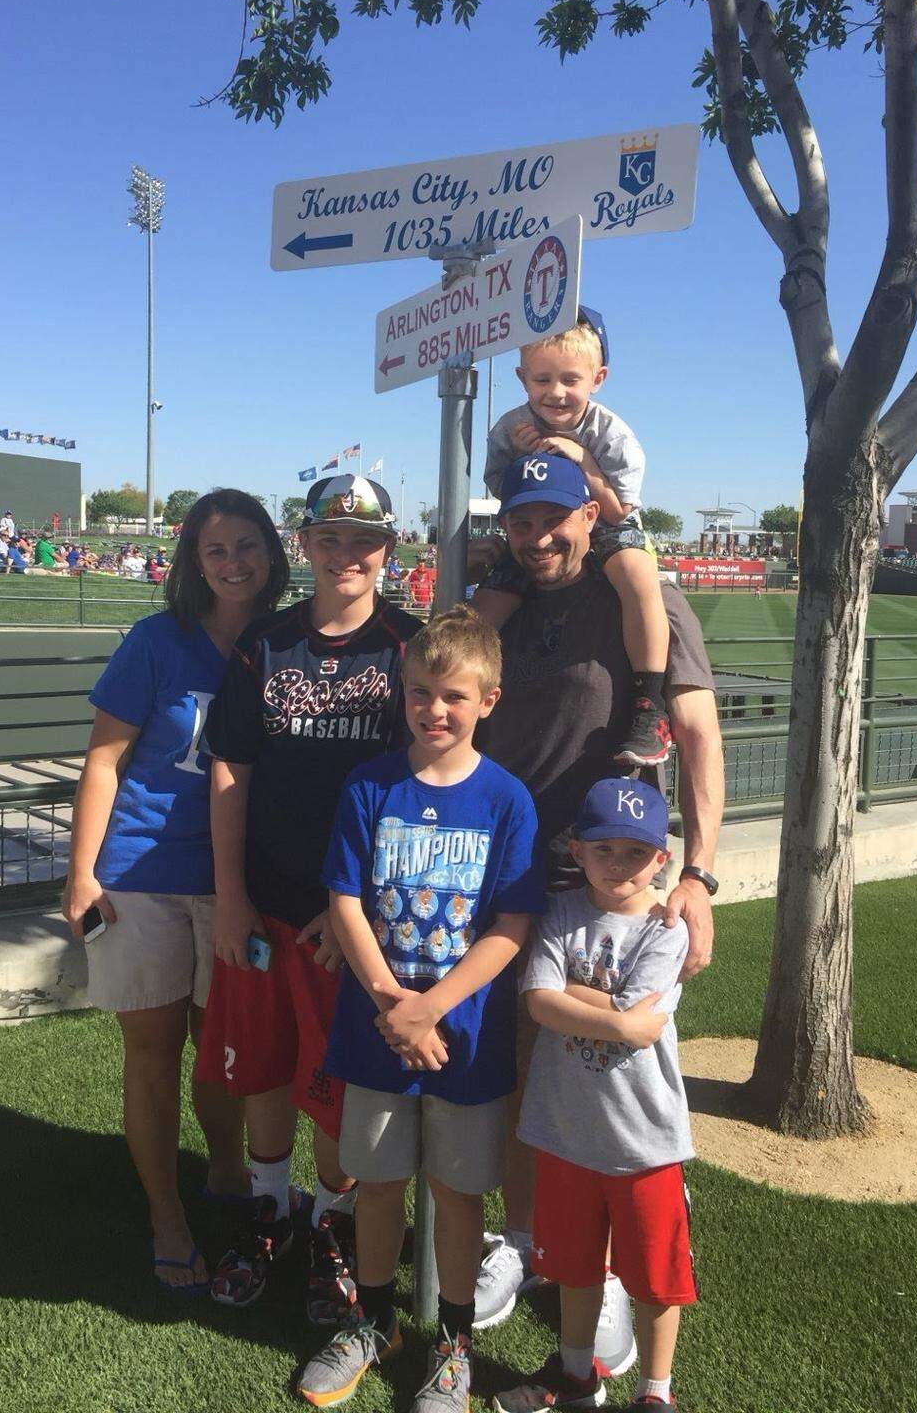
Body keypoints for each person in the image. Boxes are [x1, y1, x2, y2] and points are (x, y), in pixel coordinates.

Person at [472, 454, 723, 1374]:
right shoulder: (501, 596)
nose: (539, 538)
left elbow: (696, 734)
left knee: (606, 1069)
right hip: (504, 872)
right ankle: (528, 1239)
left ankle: (610, 1267)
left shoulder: (636, 591)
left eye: (555, 519)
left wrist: (699, 873)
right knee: (518, 1069)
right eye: (520, 520)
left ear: (591, 513)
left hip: (607, 883)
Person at [297, 607, 544, 1413]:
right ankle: (373, 1323)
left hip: (464, 1039)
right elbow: (343, 897)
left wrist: (431, 1006)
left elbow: (510, 928)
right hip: (376, 1031)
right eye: (419, 693)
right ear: (401, 693)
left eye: (453, 696)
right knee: (375, 1184)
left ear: (488, 701)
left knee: (458, 1193)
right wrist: (391, 1004)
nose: (434, 710)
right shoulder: (370, 785)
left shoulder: (508, 801)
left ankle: (453, 1344)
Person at [195, 474, 421, 1325]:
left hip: (349, 919)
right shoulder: (269, 640)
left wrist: (357, 902)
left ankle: (329, 1223)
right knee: (260, 1064)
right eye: (330, 538)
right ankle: (268, 1211)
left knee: (332, 1080)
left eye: (364, 540)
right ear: (308, 545)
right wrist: (229, 893)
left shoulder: (408, 643)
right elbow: (231, 766)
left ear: (387, 549)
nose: (347, 553)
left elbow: (418, 779)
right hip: (267, 900)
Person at [61, 490, 290, 1293]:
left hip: (237, 883)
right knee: (153, 1056)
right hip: (143, 879)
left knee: (225, 1055)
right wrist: (82, 870)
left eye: (247, 545)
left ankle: (227, 1176)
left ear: (272, 551)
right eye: (215, 550)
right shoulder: (157, 642)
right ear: (194, 563)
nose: (234, 563)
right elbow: (103, 762)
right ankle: (167, 1216)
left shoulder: (283, 645)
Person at [494, 778, 695, 1413]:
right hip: (565, 1132)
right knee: (573, 1269)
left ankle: (654, 1393)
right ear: (576, 851)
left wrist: (569, 999)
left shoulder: (669, 930)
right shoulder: (559, 914)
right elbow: (542, 1001)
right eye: (603, 850)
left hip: (644, 1139)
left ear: (661, 859)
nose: (619, 865)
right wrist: (615, 1014)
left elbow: (639, 1021)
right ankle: (577, 1376)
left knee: (656, 1280)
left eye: (636, 853)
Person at [475, 310, 672, 767]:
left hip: (605, 525)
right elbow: (503, 493)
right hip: (542, 529)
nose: (556, 392)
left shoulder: (611, 433)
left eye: (570, 379)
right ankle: (453, 694)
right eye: (542, 379)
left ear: (597, 378)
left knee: (637, 573)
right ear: (523, 378)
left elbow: (619, 509)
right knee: (487, 603)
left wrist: (583, 461)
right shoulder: (510, 428)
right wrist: (524, 462)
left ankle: (650, 705)